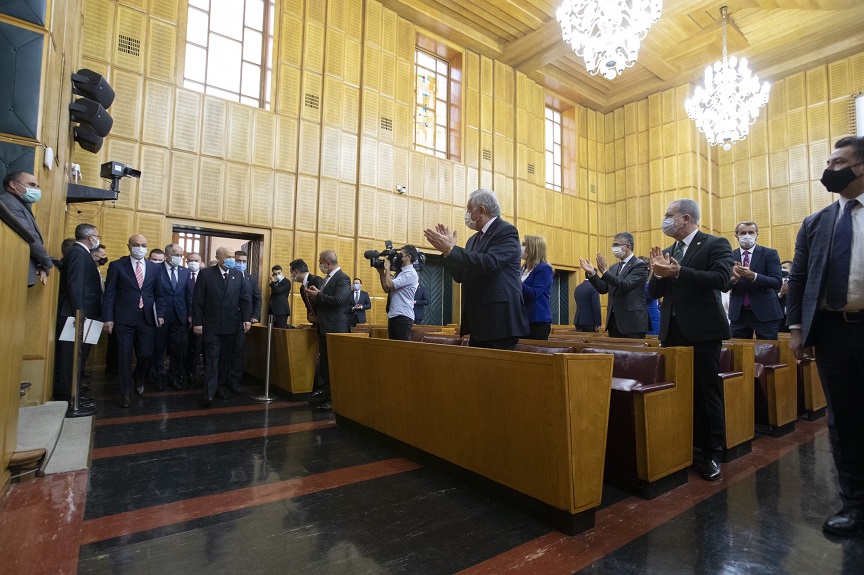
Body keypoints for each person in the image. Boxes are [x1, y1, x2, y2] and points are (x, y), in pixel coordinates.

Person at [787, 136, 864, 537]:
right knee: (843, 420)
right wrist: (797, 329)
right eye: (829, 162)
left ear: (861, 167)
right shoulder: (815, 223)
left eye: (838, 162)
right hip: (833, 332)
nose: (829, 169)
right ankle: (854, 504)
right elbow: (799, 279)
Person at [648, 198, 733, 482]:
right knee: (678, 392)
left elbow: (722, 279)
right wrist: (657, 273)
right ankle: (683, 446)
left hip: (703, 331)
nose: (665, 219)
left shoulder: (715, 244)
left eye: (668, 214)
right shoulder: (669, 251)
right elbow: (654, 291)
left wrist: (679, 271)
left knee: (707, 393)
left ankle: (712, 453)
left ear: (685, 218)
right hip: (672, 331)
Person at [424, 189, 529, 349]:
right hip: (477, 321)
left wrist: (453, 250)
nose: (467, 215)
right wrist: (448, 253)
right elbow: (461, 275)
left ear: (481, 211)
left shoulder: (506, 231)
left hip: (499, 320)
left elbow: (489, 263)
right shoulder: (472, 240)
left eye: (469, 210)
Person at [102, 235, 166, 408]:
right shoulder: (117, 265)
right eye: (136, 244)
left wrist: (160, 313)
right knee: (124, 356)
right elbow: (110, 293)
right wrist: (108, 318)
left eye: (143, 245)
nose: (140, 248)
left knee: (145, 354)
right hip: (123, 318)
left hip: (147, 318)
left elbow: (159, 294)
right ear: (129, 246)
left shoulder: (154, 268)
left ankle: (138, 377)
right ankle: (125, 393)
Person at [191, 246, 251, 407]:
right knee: (211, 359)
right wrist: (197, 322)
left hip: (231, 325)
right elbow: (197, 301)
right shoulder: (206, 274)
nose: (232, 259)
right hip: (211, 325)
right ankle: (209, 392)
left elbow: (245, 299)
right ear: (218, 258)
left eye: (233, 256)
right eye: (228, 257)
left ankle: (221, 387)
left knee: (225, 359)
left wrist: (247, 319)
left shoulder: (237, 275)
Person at [53, 224, 102, 407]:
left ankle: (76, 393)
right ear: (90, 238)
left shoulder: (82, 253)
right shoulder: (78, 253)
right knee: (71, 358)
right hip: (77, 315)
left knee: (79, 358)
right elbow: (76, 284)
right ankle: (68, 397)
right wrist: (79, 312)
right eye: (97, 236)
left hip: (85, 314)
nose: (98, 239)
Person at [304, 250, 352, 410]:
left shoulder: (342, 278)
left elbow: (339, 300)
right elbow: (325, 301)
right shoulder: (327, 278)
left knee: (334, 366)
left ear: (327, 263)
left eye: (321, 262)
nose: (320, 265)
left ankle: (334, 399)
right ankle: (326, 394)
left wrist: (318, 295)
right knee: (325, 365)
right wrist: (315, 296)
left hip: (336, 328)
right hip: (324, 326)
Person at [581, 232, 649, 339]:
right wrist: (592, 273)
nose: (613, 248)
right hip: (614, 321)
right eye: (613, 245)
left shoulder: (639, 265)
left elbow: (626, 285)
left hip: (632, 322)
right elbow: (603, 288)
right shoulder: (614, 267)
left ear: (627, 247)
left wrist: (604, 272)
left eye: (616, 245)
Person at [725, 222, 783, 340]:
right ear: (736, 236)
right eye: (743, 233)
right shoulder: (729, 256)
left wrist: (753, 276)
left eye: (751, 232)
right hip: (738, 314)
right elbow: (723, 286)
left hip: (765, 313)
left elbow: (777, 282)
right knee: (738, 350)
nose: (747, 236)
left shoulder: (769, 254)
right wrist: (734, 279)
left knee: (768, 349)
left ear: (757, 234)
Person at [151, 243, 191, 390]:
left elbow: (188, 295)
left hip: (179, 315)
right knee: (159, 347)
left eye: (181, 255)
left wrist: (190, 314)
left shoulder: (185, 271)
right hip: (161, 315)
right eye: (176, 255)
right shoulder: (156, 269)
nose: (179, 257)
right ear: (167, 255)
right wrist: (157, 313)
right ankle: (157, 377)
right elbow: (152, 293)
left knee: (178, 348)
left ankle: (174, 376)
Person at [1, 172, 52, 286]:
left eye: (38, 186)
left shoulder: (18, 203)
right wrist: (47, 263)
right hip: (10, 272)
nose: (37, 190)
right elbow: (29, 236)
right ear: (13, 185)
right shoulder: (8, 202)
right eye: (32, 185)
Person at [227, 250, 262, 393]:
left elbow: (257, 298)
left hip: (243, 320)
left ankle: (234, 381)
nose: (241, 264)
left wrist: (254, 315)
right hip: (226, 319)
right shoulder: (226, 275)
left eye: (243, 261)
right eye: (238, 261)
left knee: (239, 351)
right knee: (225, 351)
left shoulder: (250, 278)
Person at [376, 246, 419, 340]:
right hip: (393, 314)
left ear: (408, 257)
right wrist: (381, 272)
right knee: (393, 347)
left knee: (402, 347)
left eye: (401, 254)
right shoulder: (400, 273)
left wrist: (387, 268)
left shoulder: (410, 273)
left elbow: (389, 284)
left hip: (403, 316)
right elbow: (386, 289)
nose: (398, 257)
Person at [520, 235, 553, 340]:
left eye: (524, 244)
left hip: (537, 321)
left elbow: (533, 294)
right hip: (521, 320)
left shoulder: (544, 268)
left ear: (533, 248)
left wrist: (515, 280)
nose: (521, 247)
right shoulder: (523, 268)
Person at [184, 252, 203, 386]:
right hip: (182, 318)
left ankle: (191, 372)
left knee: (196, 348)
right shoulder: (183, 274)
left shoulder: (204, 276)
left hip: (199, 319)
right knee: (182, 347)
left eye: (196, 260)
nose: (193, 263)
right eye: (190, 260)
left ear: (200, 262)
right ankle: (181, 372)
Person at [289, 259, 324, 325]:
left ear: (296, 272)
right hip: (315, 323)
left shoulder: (316, 280)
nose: (291, 275)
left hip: (323, 321)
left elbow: (323, 300)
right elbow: (307, 305)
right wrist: (309, 317)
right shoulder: (302, 288)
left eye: (291, 272)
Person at [640, 256, 661, 336]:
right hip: (639, 318)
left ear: (648, 267)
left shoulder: (651, 282)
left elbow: (648, 294)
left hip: (652, 317)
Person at [777, 260, 792, 333]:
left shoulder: (795, 282)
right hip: (779, 318)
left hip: (792, 318)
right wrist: (781, 293)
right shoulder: (776, 281)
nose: (782, 270)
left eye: (784, 268)